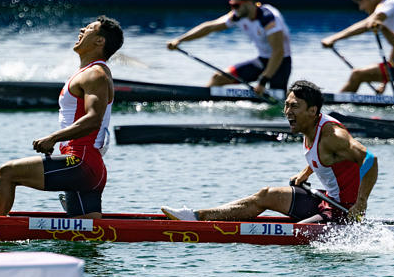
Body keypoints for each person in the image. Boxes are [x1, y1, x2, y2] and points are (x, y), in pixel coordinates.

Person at [160, 80, 378, 224]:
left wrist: (361, 204)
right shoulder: (309, 125)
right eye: (286, 105)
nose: (287, 112)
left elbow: (369, 159)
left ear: (312, 111)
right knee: (266, 195)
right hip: (326, 200)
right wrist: (305, 174)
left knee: (297, 235)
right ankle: (197, 217)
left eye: (294, 107)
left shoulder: (333, 135)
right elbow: (328, 159)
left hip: (343, 212)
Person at [0, 15, 124, 218]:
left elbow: (94, 118)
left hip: (78, 162)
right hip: (88, 167)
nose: (81, 30)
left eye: (88, 28)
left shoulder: (94, 74)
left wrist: (53, 138)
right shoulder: (91, 73)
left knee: (7, 173)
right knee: (86, 238)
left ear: (100, 41)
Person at [166, 0, 292, 95]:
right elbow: (209, 27)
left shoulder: (268, 19)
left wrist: (263, 81)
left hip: (281, 63)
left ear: (248, 3)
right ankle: (203, 101)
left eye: (235, 5)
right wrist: (179, 40)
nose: (233, 9)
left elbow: (278, 52)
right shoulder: (238, 16)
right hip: (262, 61)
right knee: (218, 78)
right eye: (231, 4)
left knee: (278, 100)